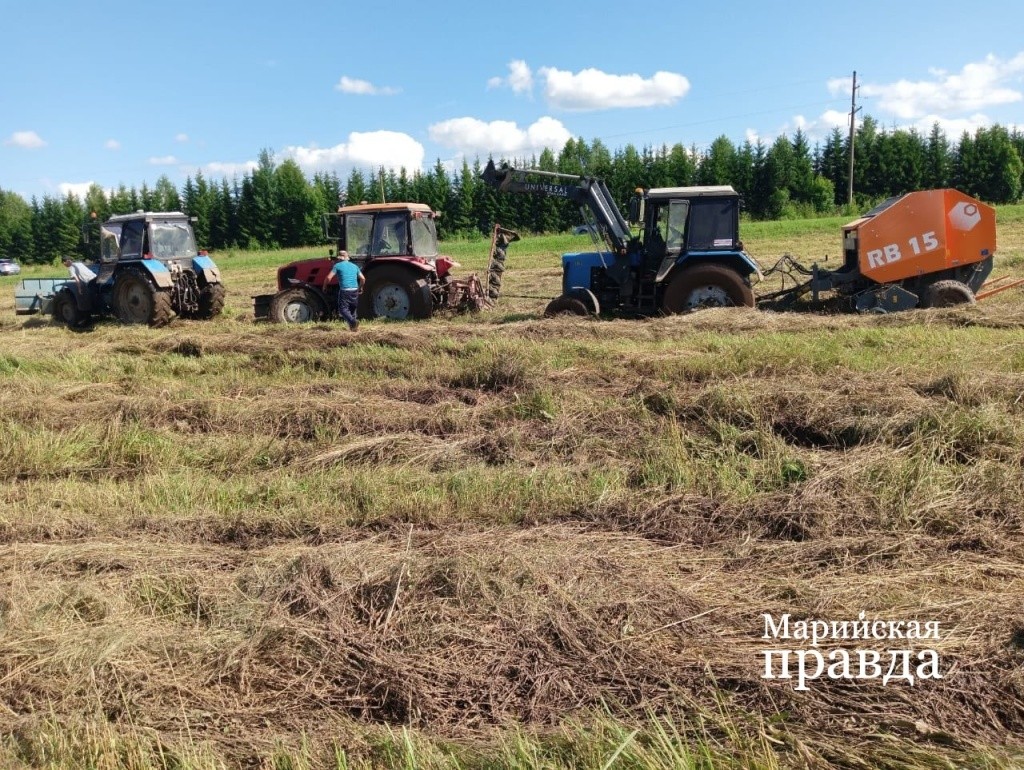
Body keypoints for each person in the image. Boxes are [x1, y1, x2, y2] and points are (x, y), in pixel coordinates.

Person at [327, 250, 365, 331]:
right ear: (347, 258)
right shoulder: (355, 266)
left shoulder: (337, 266)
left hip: (345, 290)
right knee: (352, 309)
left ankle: (353, 322)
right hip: (355, 290)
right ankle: (354, 329)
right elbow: (363, 278)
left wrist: (324, 286)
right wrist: (360, 287)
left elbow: (328, 278)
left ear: (339, 258)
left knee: (342, 309)